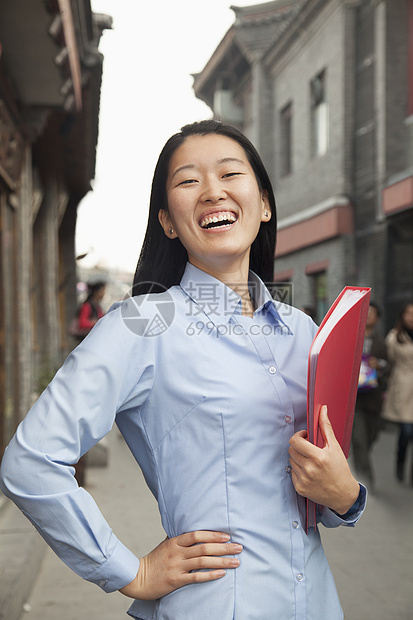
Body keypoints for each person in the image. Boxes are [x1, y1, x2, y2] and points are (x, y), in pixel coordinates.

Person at [0, 120, 366, 619]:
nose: (213, 191)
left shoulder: (304, 333)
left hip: (316, 604)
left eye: (230, 174)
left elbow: (320, 491)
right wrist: (130, 571)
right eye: (188, 181)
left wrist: (347, 496)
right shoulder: (141, 325)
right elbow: (30, 461)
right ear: (168, 222)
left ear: (263, 205)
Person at [351, 302, 388, 490]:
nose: (368, 317)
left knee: (370, 437)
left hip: (373, 400)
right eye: (366, 313)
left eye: (372, 314)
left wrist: (378, 365)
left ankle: (362, 469)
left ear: (378, 319)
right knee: (359, 441)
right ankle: (365, 482)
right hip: (354, 400)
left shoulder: (382, 343)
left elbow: (388, 367)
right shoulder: (351, 339)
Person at [382, 301, 413, 484]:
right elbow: (389, 361)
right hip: (403, 387)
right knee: (407, 431)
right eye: (408, 313)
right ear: (402, 316)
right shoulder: (395, 337)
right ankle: (400, 461)